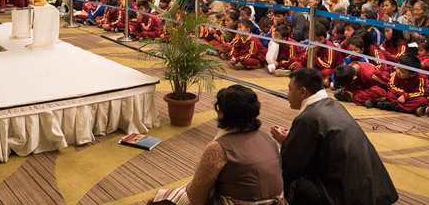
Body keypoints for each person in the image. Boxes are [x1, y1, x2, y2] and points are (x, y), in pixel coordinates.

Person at [270, 69, 398, 205]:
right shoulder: (335, 105)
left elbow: (292, 165)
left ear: (302, 92)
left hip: (346, 197)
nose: (288, 94)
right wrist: (293, 140)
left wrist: (287, 143)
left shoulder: (308, 117)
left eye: (290, 89)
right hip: (375, 191)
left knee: (282, 175)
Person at [151, 85, 285, 205]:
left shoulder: (218, 148)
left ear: (223, 114)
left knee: (159, 201)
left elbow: (195, 197)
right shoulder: (267, 139)